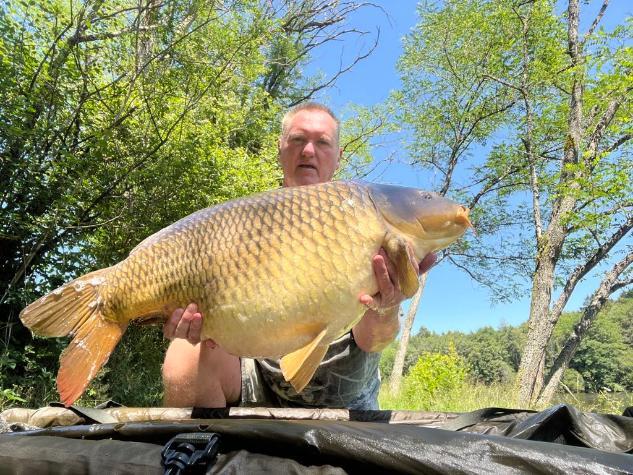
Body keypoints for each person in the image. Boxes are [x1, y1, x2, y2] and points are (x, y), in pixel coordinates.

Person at [161, 102, 436, 410]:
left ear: (338, 157)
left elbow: (374, 340)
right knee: (184, 351)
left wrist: (387, 307)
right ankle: (206, 451)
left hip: (345, 401)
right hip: (258, 383)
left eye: (322, 142)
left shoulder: (366, 217)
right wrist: (188, 319)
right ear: (281, 149)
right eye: (297, 140)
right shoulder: (243, 221)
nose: (308, 151)